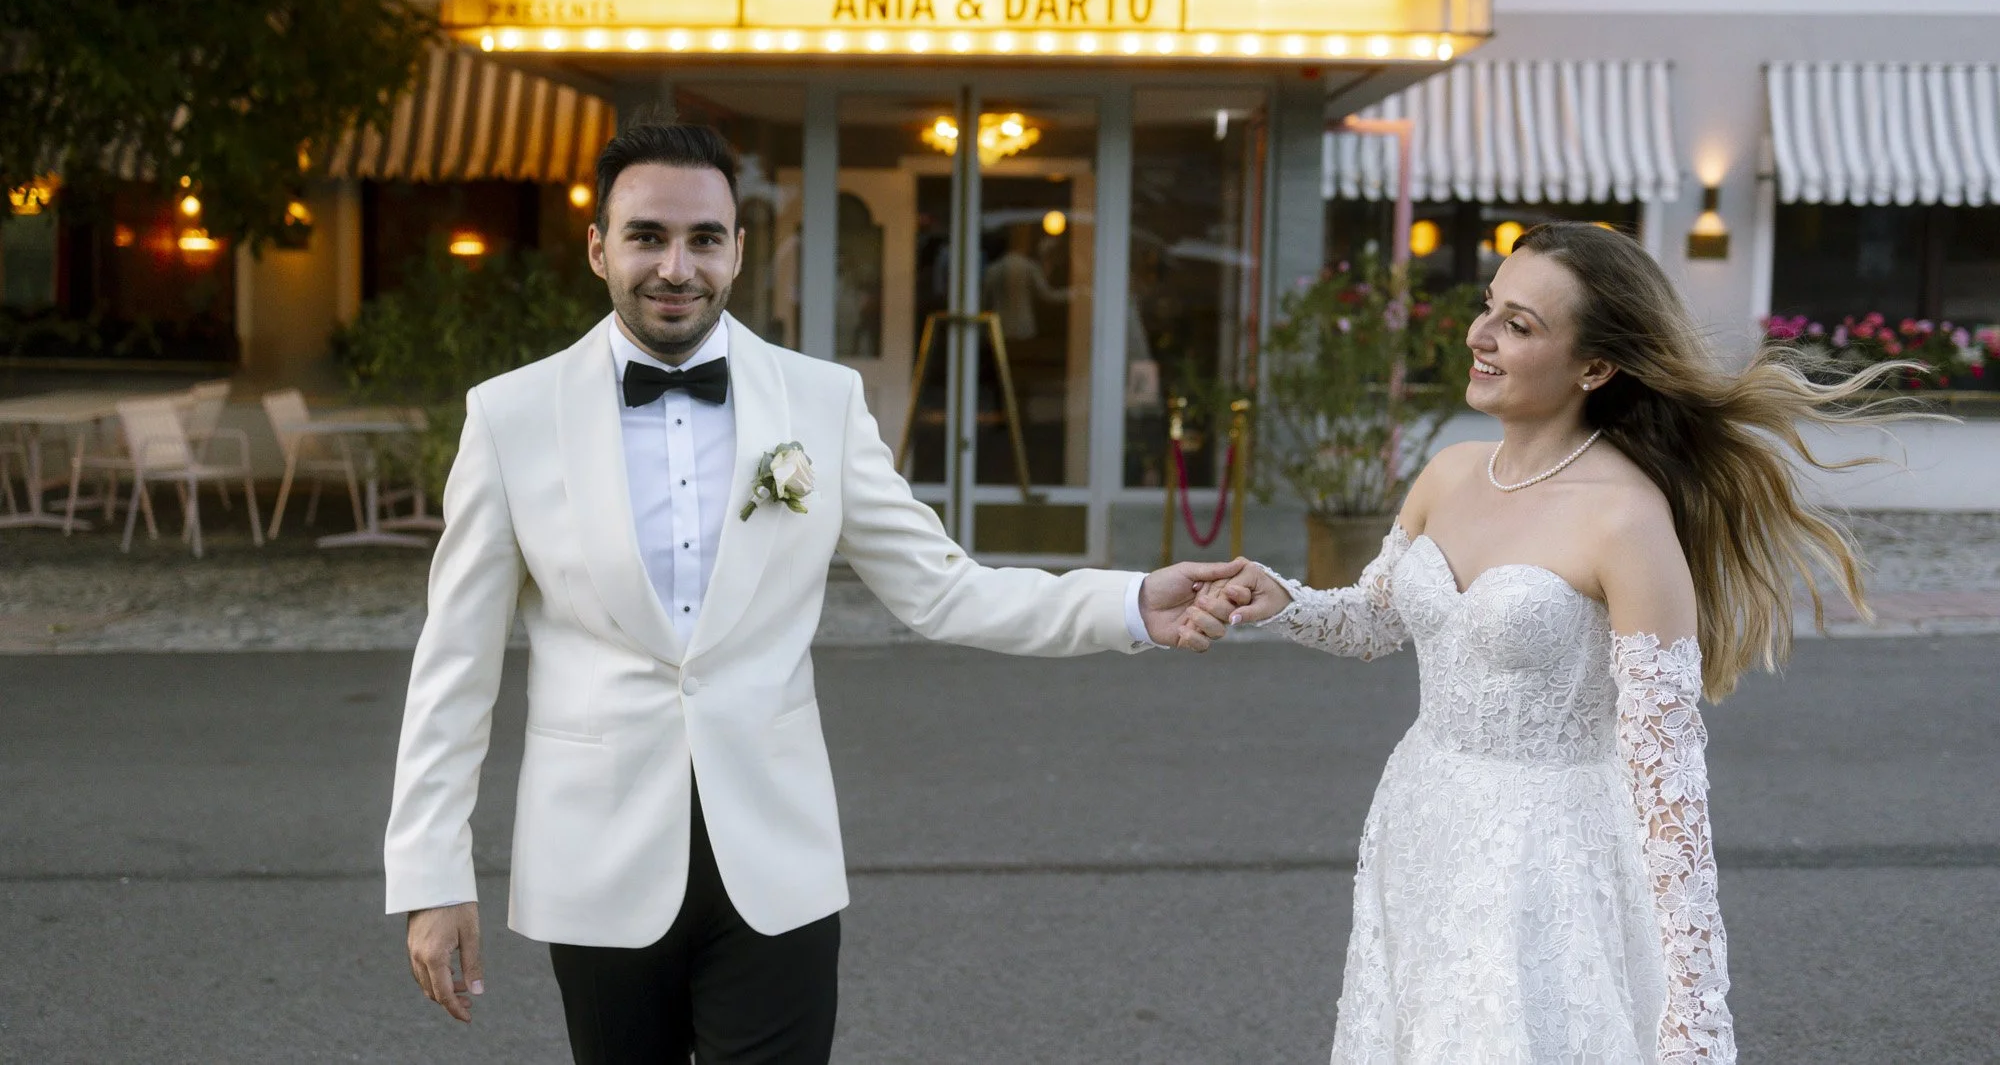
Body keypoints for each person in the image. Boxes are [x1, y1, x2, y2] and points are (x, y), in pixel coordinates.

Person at [383, 122, 1235, 1065]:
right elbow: (453, 665)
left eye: (704, 238)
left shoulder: (820, 402)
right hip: (596, 860)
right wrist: (432, 873)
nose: (676, 266)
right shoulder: (510, 417)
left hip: (776, 860)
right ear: (598, 246)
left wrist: (1128, 604)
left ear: (739, 251)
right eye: (646, 236)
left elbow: (943, 589)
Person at [1213, 221, 1902, 1064]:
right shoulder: (1448, 473)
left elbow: (1672, 797)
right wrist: (1282, 601)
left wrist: (1694, 1017)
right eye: (1488, 308)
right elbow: (1377, 617)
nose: (1479, 335)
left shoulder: (1627, 519)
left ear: (1595, 366)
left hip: (1550, 860)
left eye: (1519, 323)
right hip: (1422, 821)